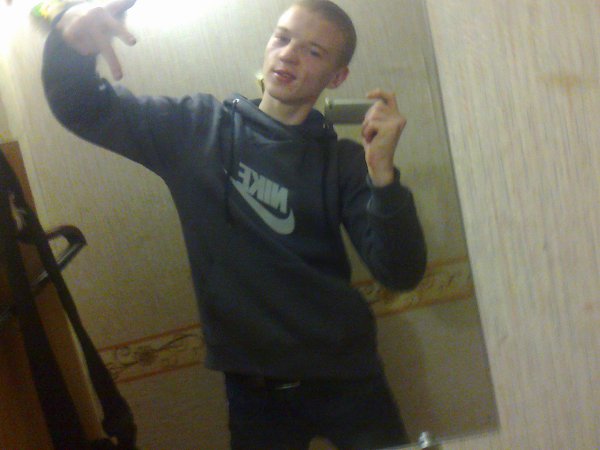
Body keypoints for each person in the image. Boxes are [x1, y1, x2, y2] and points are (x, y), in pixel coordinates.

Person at [42, 0, 427, 448]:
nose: (288, 54)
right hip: (255, 394)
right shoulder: (195, 129)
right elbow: (82, 108)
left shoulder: (343, 162)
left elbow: (401, 272)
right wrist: (69, 39)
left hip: (351, 380)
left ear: (337, 77)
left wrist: (383, 175)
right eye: (282, 38)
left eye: (313, 51)